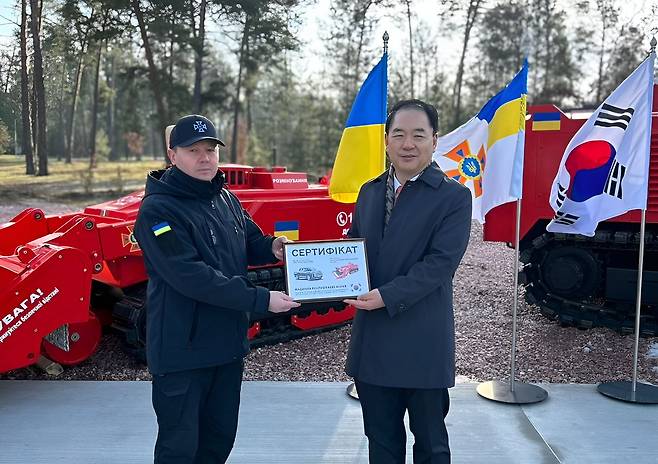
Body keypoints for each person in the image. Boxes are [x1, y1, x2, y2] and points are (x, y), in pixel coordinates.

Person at [134, 114, 300, 464]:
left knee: (218, 440)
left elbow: (250, 238)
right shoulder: (157, 211)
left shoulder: (224, 197)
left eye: (210, 149)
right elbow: (190, 276)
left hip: (226, 347)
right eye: (193, 150)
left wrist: (275, 246)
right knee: (179, 448)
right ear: (172, 154)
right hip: (183, 351)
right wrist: (261, 299)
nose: (205, 157)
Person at [344, 99, 472, 464]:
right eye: (398, 134)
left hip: (422, 342)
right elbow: (354, 251)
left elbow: (440, 264)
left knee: (431, 445)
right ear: (386, 140)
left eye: (418, 134)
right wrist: (327, 278)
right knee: (381, 442)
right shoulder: (369, 192)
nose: (408, 143)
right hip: (373, 344)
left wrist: (387, 295)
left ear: (435, 140)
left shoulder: (454, 197)